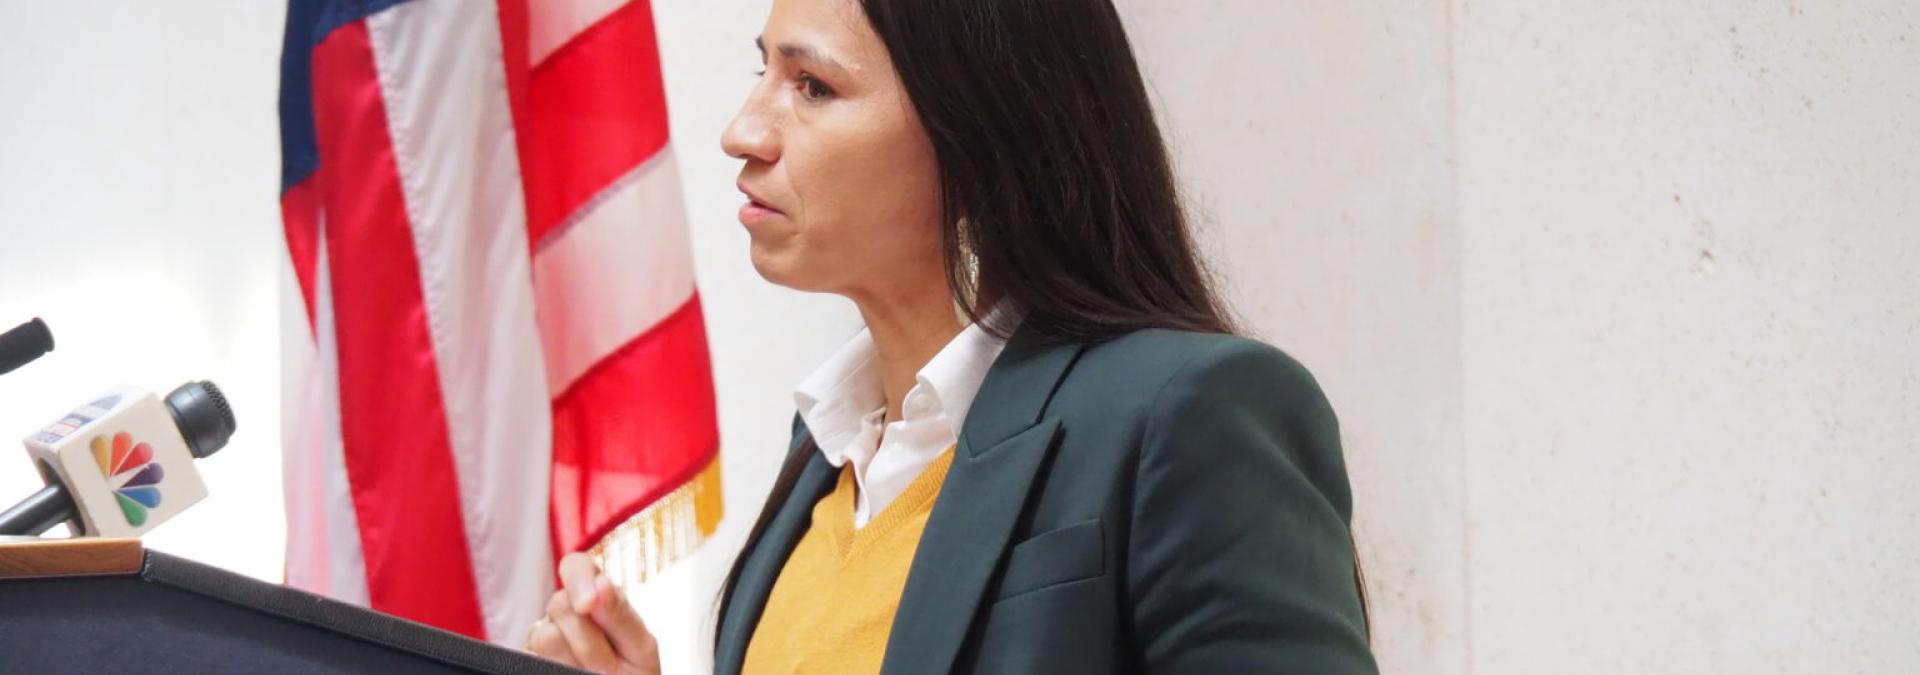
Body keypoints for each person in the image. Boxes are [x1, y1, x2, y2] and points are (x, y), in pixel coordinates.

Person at [527, 0, 1376, 672]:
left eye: (811, 86)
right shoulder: (820, 452)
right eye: (764, 70)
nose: (744, 131)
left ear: (977, 130)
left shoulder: (1188, 414)